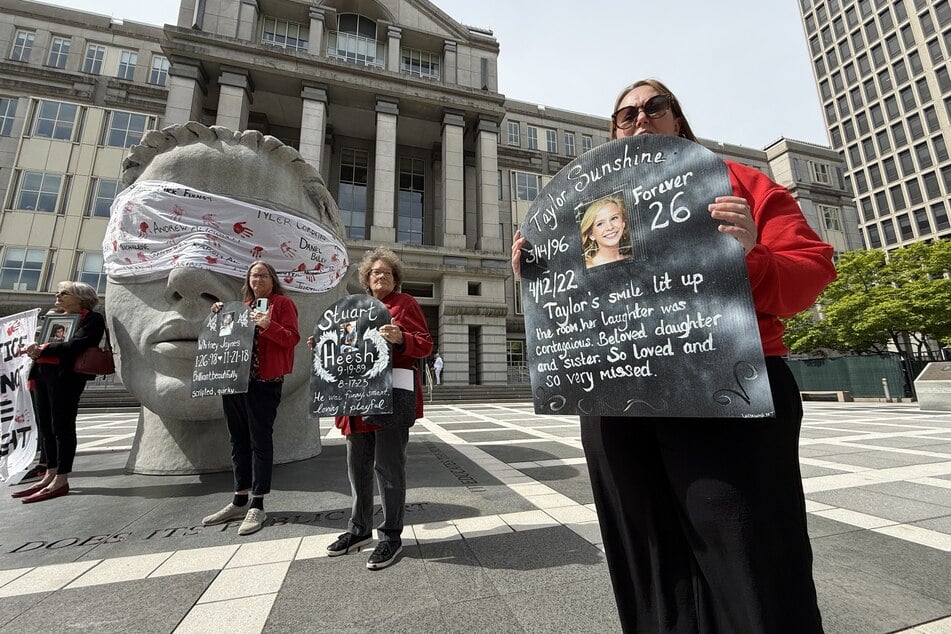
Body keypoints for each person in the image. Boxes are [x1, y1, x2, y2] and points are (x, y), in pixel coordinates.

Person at [511, 78, 836, 633]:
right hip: (617, 400)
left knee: (751, 561)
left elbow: (809, 279)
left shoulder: (740, 182)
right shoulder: (589, 214)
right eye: (625, 114)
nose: (639, 119)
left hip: (727, 393)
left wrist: (750, 254)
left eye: (653, 107)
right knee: (649, 566)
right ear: (613, 131)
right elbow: (583, 303)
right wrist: (541, 275)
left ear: (679, 120)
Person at [104, 123, 350, 475]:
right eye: (151, 234)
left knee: (255, 437)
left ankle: (255, 496)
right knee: (243, 440)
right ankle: (243, 492)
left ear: (341, 290)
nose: (187, 276)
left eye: (262, 245)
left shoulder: (277, 309)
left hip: (264, 387)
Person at [314, 247, 432, 570]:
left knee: (389, 469)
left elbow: (425, 343)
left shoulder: (404, 304)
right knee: (357, 468)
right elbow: (343, 351)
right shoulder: (352, 310)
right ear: (365, 279)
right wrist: (324, 344)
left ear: (395, 279)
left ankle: (391, 536)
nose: (380, 277)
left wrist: (401, 338)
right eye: (375, 273)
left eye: (387, 273)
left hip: (389, 399)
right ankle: (359, 529)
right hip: (355, 401)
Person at [201, 261, 300, 536]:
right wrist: (219, 316)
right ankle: (239, 499)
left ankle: (258, 502)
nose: (257, 279)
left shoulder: (281, 304)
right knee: (237, 439)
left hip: (264, 381)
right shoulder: (241, 308)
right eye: (253, 275)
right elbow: (223, 340)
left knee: (260, 439)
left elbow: (292, 339)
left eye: (263, 275)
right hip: (234, 381)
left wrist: (269, 325)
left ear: (272, 279)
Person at [12, 282, 106, 503]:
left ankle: (61, 478)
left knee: (61, 426)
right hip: (42, 375)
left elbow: (78, 344)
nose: (58, 295)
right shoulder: (55, 317)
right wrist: (34, 348)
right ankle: (49, 474)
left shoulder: (92, 318)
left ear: (81, 298)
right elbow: (47, 343)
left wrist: (45, 348)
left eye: (64, 293)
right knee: (45, 426)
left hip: (65, 379)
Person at [579, 196, 632, 268]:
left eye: (614, 218)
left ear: (623, 223)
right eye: (600, 224)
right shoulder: (590, 266)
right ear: (591, 234)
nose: (610, 227)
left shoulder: (631, 258)